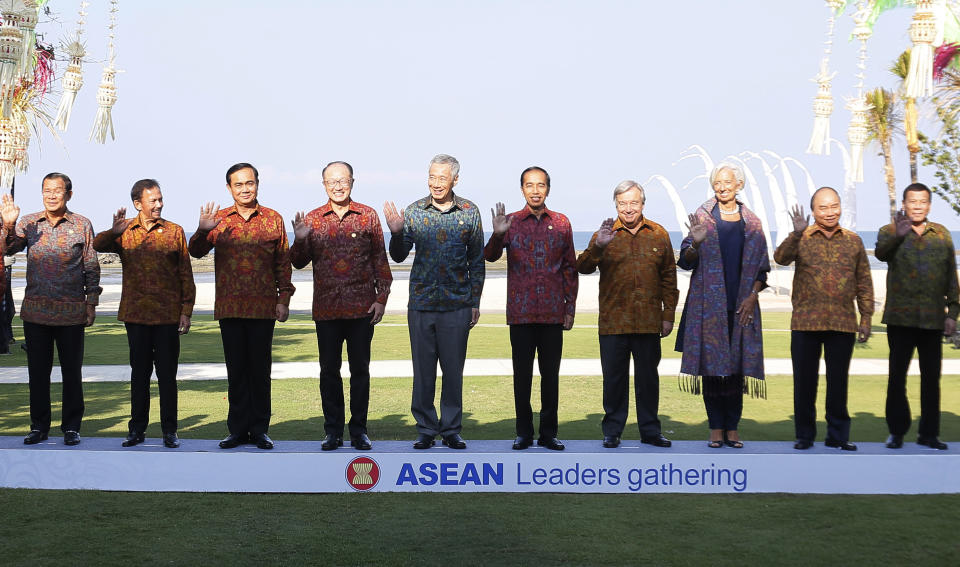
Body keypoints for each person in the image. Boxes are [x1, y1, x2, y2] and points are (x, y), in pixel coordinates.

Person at [188, 163, 295, 450]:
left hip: (263, 308)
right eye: (239, 184)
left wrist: (284, 299)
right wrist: (201, 230)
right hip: (230, 307)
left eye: (250, 183)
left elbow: (283, 263)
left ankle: (260, 430)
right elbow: (195, 252)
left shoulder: (274, 219)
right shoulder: (218, 219)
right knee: (236, 372)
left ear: (257, 184)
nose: (245, 189)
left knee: (260, 372)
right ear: (229, 188)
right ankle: (236, 431)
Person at [383, 154, 484, 450]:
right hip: (422, 304)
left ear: (455, 179)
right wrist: (397, 231)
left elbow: (476, 261)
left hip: (457, 305)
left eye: (442, 178)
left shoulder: (470, 212)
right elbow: (400, 255)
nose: (436, 183)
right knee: (423, 371)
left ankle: (451, 429)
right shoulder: (414, 211)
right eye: (432, 177)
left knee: (453, 372)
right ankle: (426, 429)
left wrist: (474, 301)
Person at [290, 161, 392, 452]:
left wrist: (381, 299)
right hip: (327, 309)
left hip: (362, 308)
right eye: (331, 181)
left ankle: (359, 431)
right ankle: (332, 432)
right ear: (323, 185)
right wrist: (299, 240)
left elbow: (380, 261)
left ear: (352, 182)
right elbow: (297, 262)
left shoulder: (368, 216)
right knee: (328, 372)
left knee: (361, 371)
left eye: (343, 180)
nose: (337, 186)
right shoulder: (312, 219)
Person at [93, 179, 196, 449]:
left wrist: (186, 311)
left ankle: (169, 431)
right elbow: (97, 245)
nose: (159, 204)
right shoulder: (125, 232)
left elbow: (186, 273)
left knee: (167, 376)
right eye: (153, 200)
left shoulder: (175, 231)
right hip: (136, 315)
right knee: (139, 375)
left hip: (167, 316)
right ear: (138, 203)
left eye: (161, 199)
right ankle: (136, 430)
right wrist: (112, 230)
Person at [576, 180, 678, 449]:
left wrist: (669, 315)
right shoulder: (604, 234)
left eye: (634, 202)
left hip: (648, 322)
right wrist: (598, 246)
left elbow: (669, 276)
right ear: (616, 205)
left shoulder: (659, 233)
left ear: (643, 204)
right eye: (623, 203)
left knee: (648, 380)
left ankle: (650, 431)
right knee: (613, 381)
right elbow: (582, 267)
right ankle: (612, 431)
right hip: (613, 323)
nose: (629, 208)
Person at [2, 173, 101, 446]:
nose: (51, 195)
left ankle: (71, 427)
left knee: (72, 372)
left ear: (69, 194)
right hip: (36, 313)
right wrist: (8, 225)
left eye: (57, 190)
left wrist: (91, 302)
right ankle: (38, 426)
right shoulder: (29, 223)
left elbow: (91, 266)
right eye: (46, 190)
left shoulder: (82, 224)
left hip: (71, 313)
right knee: (38, 372)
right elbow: (7, 248)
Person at [484, 166, 578, 451]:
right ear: (522, 189)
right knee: (521, 377)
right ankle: (523, 432)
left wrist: (569, 307)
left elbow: (570, 268)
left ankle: (549, 433)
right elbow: (489, 256)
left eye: (540, 185)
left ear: (548, 189)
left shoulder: (562, 222)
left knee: (551, 377)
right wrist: (498, 234)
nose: (535, 190)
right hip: (521, 313)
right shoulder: (510, 221)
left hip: (552, 313)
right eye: (529, 185)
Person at [676, 162, 769, 449]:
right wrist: (696, 243)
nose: (722, 187)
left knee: (736, 371)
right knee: (713, 371)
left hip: (741, 306)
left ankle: (733, 428)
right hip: (707, 307)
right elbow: (685, 260)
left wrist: (753, 296)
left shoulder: (752, 222)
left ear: (738, 184)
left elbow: (762, 270)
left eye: (727, 182)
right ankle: (716, 428)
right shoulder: (702, 217)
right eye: (717, 182)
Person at [774, 187, 873, 451]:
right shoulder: (802, 237)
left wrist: (866, 317)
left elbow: (864, 280)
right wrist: (795, 233)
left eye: (834, 206)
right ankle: (804, 436)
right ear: (813, 211)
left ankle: (838, 436)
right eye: (823, 208)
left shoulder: (853, 241)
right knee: (804, 383)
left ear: (840, 207)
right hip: (806, 323)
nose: (830, 212)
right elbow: (780, 259)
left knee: (838, 383)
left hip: (842, 323)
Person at [876, 183, 957, 450]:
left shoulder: (942, 235)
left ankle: (929, 434)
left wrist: (953, 313)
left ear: (930, 205)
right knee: (897, 377)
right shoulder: (889, 231)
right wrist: (899, 235)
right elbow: (880, 254)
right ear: (904, 204)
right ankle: (896, 432)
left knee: (931, 379)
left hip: (933, 319)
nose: (918, 206)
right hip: (900, 319)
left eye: (923, 201)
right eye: (913, 201)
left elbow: (951, 277)